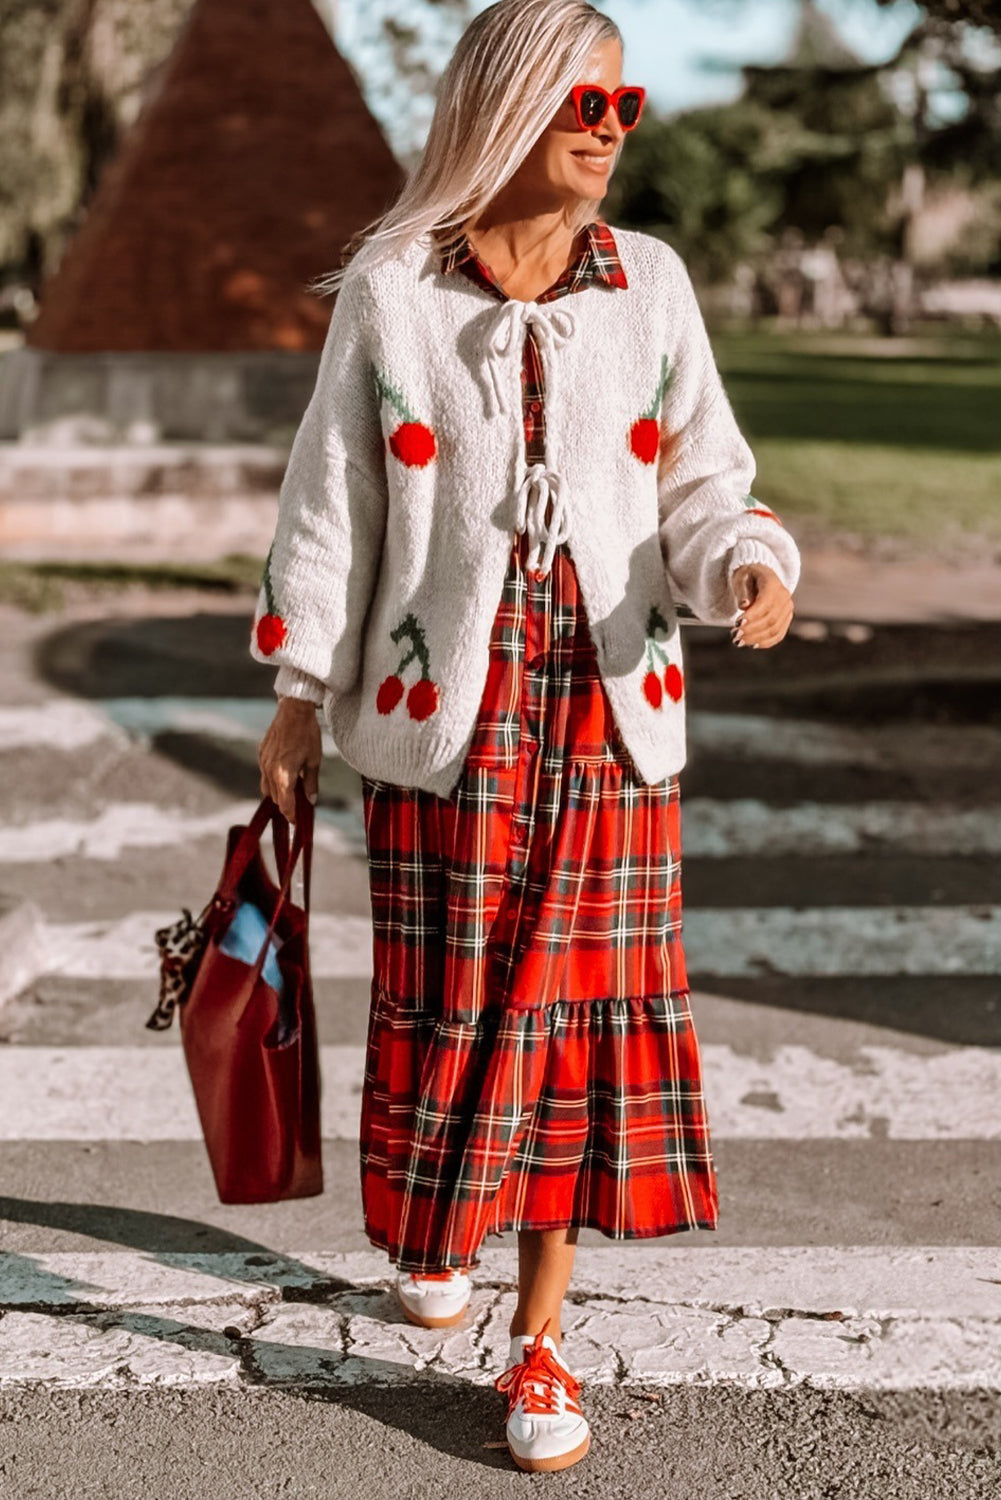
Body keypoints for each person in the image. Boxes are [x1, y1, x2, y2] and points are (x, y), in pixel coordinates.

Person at [253, 0, 799, 1473]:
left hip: (614, 719)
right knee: (449, 1007)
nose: (610, 130)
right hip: (450, 723)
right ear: (506, 109)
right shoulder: (394, 290)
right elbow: (332, 506)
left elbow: (704, 480)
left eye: (626, 106)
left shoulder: (651, 284)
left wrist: (748, 562)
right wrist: (297, 696)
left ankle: (541, 1334)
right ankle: (442, 1225)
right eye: (584, 104)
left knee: (577, 1028)